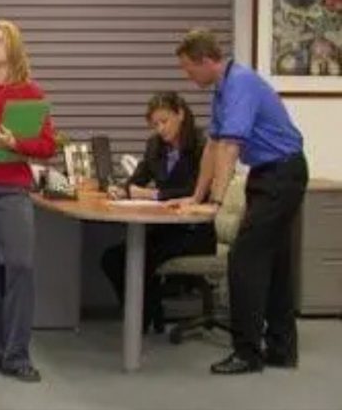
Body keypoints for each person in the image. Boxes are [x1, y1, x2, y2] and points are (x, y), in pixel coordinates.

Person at [169, 28, 308, 375]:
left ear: (205, 61)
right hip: (266, 174)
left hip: (283, 173)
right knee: (275, 263)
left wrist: (216, 202)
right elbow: (213, 147)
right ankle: (281, 348)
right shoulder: (222, 89)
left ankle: (247, 353)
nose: (187, 76)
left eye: (189, 68)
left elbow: (231, 148)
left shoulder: (241, 84)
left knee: (244, 258)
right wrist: (197, 195)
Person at [0, 20, 57, 382]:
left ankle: (17, 356)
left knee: (20, 267)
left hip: (12, 188)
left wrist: (15, 145)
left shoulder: (30, 93)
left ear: (13, 47)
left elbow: (47, 147)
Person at [101, 92, 216, 334]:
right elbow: (138, 179)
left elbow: (196, 191)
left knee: (141, 259)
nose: (160, 129)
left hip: (193, 233)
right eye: (155, 124)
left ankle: (141, 321)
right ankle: (145, 313)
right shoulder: (155, 145)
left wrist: (152, 195)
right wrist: (122, 190)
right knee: (112, 258)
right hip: (165, 229)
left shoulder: (202, 146)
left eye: (165, 121)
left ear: (180, 114)